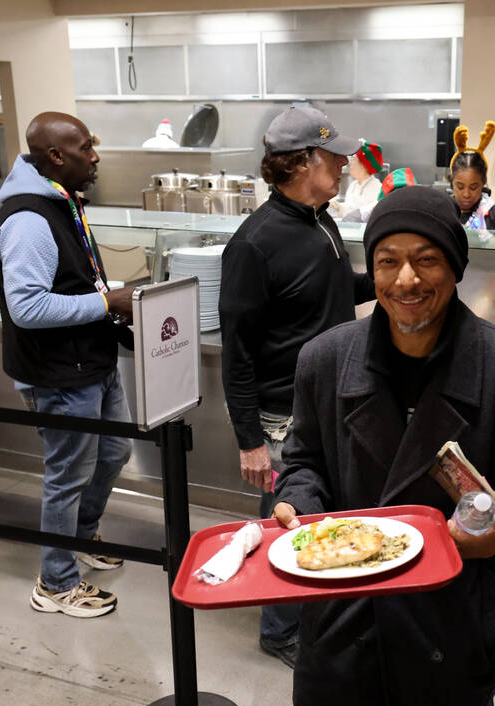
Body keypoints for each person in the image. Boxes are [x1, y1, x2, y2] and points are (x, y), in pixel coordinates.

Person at [273, 185, 495, 706]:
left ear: (456, 267)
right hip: (343, 618)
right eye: (388, 260)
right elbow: (305, 459)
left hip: (457, 620)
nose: (406, 280)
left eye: (428, 259)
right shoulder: (323, 359)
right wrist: (298, 503)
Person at [219, 105, 375, 667]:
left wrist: (388, 276)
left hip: (332, 402)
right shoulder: (254, 244)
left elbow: (331, 295)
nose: (344, 163)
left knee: (322, 515)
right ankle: (279, 630)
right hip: (282, 419)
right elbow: (237, 352)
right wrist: (249, 440)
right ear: (303, 161)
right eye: (335, 155)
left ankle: (313, 609)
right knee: (286, 521)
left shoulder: (321, 219)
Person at [0, 111, 136, 619]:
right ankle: (55, 582)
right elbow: (26, 307)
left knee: (113, 453)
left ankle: (80, 534)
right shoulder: (29, 218)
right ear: (54, 156)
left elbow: (72, 281)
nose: (94, 157)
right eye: (84, 149)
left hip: (92, 363)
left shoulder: (64, 202)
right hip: (58, 374)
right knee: (68, 475)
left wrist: (106, 296)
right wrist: (106, 304)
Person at [449, 121, 495, 231]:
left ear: (483, 183)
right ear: (452, 183)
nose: (466, 194)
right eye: (460, 187)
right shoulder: (442, 214)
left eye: (473, 187)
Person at [328, 140, 383, 223]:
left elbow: (367, 214)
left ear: (364, 165)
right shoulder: (353, 185)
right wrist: (338, 206)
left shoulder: (376, 187)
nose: (350, 164)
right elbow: (350, 210)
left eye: (354, 160)